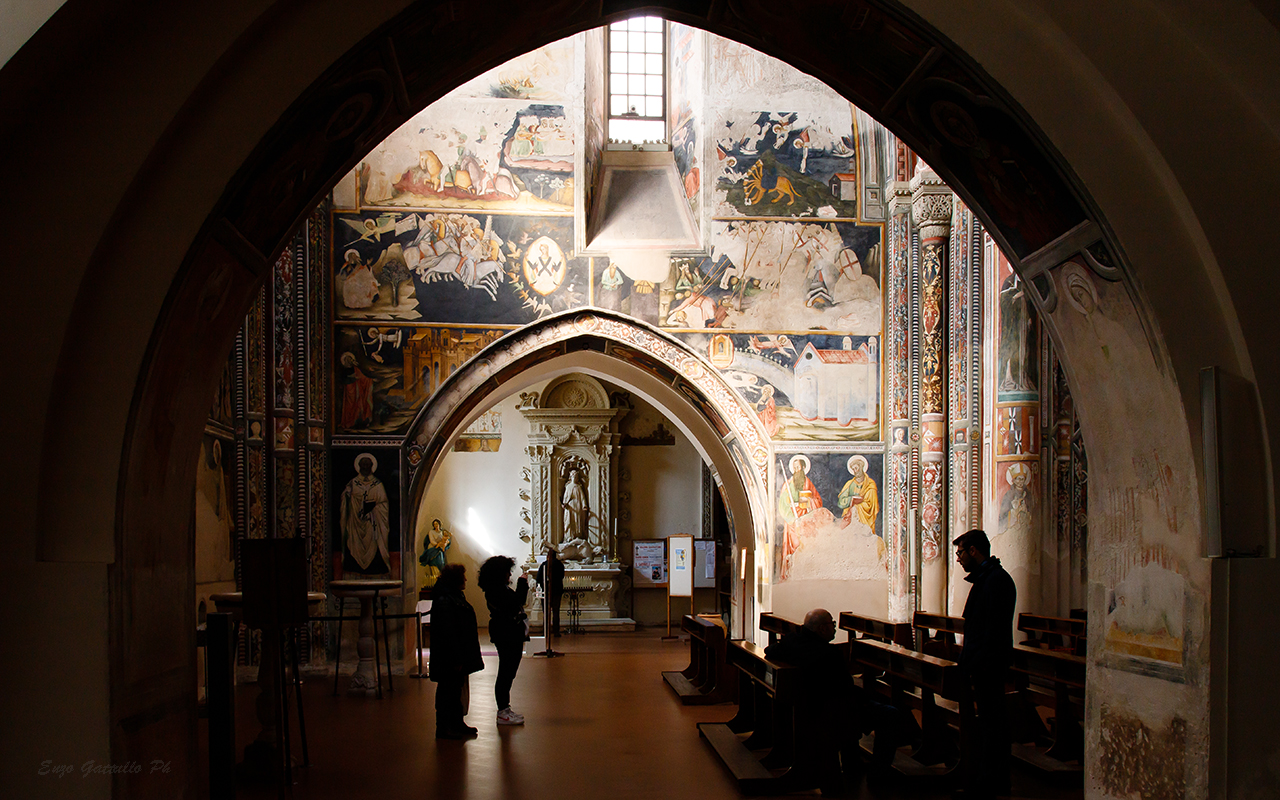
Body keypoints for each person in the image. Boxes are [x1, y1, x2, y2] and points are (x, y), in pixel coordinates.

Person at [765, 609, 867, 793]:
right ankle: (880, 778)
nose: (834, 629)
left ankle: (855, 768)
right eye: (832, 625)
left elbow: (769, 650)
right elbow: (845, 685)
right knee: (888, 715)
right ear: (821, 629)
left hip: (805, 707)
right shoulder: (828, 653)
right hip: (830, 712)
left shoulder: (791, 641)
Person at [954, 529, 1017, 798]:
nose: (958, 558)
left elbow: (991, 631)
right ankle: (986, 779)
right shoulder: (987, 578)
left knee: (994, 727)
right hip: (983, 665)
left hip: (988, 667)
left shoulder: (996, 581)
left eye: (960, 552)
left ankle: (993, 783)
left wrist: (974, 664)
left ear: (973, 551)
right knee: (989, 726)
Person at [429, 564, 483, 739]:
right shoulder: (445, 600)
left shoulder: (452, 596)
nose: (466, 579)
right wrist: (456, 658)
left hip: (456, 653)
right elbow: (449, 631)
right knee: (448, 690)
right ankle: (445, 727)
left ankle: (457, 723)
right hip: (450, 656)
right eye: (463, 576)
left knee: (456, 688)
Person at [477, 555, 529, 726]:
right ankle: (503, 710)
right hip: (506, 632)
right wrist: (523, 583)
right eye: (507, 572)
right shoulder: (496, 591)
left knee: (509, 671)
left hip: (509, 631)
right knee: (506, 671)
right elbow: (517, 602)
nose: (509, 575)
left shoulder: (499, 588)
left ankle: (505, 709)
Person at [339, 453, 389, 574]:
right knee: (353, 543)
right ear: (359, 466)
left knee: (375, 546)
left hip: (372, 524)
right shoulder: (353, 483)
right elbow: (345, 502)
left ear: (372, 466)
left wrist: (373, 511)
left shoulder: (377, 485)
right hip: (355, 523)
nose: (365, 467)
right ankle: (352, 567)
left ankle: (376, 568)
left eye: (368, 464)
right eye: (363, 464)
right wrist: (347, 496)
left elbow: (383, 504)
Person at [534, 545, 565, 637]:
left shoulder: (544, 565)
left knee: (546, 612)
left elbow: (539, 578)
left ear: (548, 556)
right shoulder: (560, 565)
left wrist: (540, 589)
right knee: (556, 612)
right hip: (557, 591)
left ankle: (546, 631)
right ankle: (556, 631)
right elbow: (562, 576)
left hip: (546, 590)